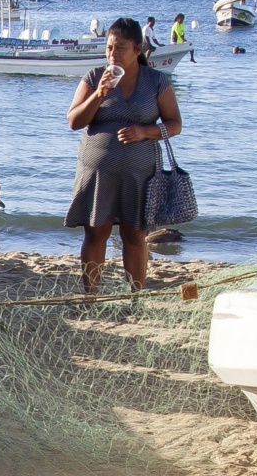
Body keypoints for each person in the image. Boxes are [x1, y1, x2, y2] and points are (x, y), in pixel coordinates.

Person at [65, 16, 181, 293]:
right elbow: (74, 121)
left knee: (135, 234)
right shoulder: (94, 78)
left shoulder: (155, 81)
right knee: (96, 232)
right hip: (98, 169)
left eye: (120, 48)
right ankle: (91, 295)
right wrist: (99, 95)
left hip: (139, 172)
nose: (112, 54)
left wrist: (144, 132)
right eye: (108, 48)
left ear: (137, 50)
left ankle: (135, 296)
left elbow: (175, 124)